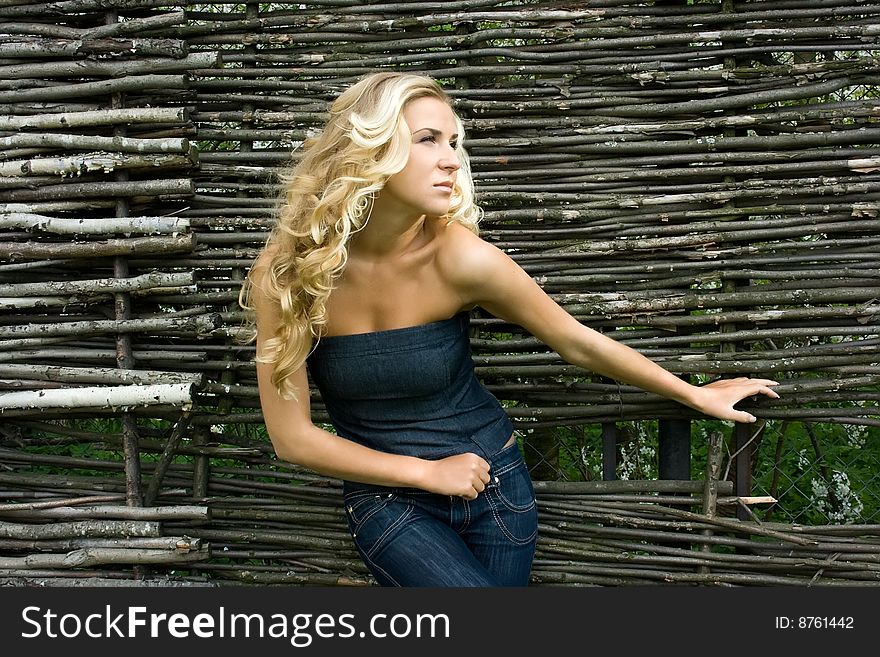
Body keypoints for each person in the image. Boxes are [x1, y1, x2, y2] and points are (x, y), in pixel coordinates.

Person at [240, 71, 780, 587]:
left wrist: (692, 392)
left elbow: (574, 340)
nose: (451, 160)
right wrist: (425, 474)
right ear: (370, 149)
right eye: (428, 140)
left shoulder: (460, 259)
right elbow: (293, 438)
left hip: (495, 490)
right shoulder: (290, 274)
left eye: (455, 143)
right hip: (388, 498)